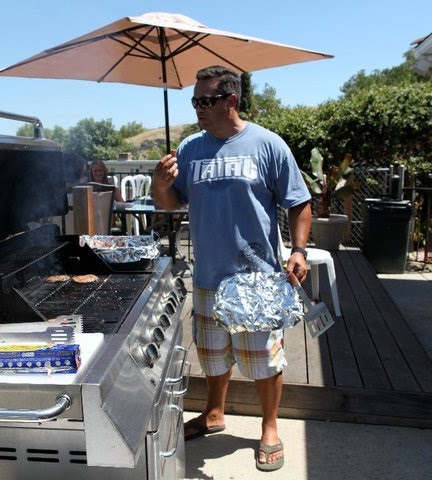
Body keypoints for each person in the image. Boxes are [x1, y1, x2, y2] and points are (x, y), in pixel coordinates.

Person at [153, 65, 311, 472]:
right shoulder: (190, 149)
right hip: (208, 275)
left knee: (264, 360)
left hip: (255, 278)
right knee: (212, 356)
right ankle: (213, 413)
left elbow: (298, 201)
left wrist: (298, 250)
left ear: (232, 100)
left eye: (207, 101)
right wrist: (160, 185)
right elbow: (170, 206)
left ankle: (270, 427)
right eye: (195, 101)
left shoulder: (267, 144)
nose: (199, 109)